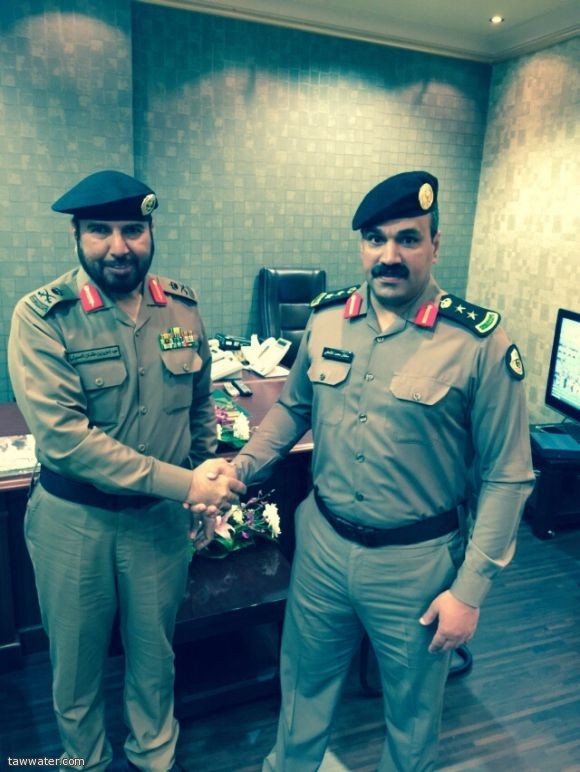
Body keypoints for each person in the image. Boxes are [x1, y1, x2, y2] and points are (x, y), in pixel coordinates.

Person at [226, 171, 535, 770]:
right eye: (375, 239)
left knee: (413, 718)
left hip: (416, 567)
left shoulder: (479, 343)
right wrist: (241, 469)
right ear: (361, 245)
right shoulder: (326, 319)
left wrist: (470, 591)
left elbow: (508, 476)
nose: (388, 255)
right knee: (301, 694)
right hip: (322, 547)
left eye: (407, 239)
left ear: (435, 245)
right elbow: (292, 408)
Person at [7, 170, 245, 772]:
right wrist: (187, 484)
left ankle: (154, 757)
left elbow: (199, 406)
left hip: (158, 524)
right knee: (76, 669)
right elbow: (66, 442)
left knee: (154, 658)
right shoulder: (43, 316)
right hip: (74, 524)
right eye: (100, 231)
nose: (118, 246)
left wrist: (202, 487)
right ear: (76, 235)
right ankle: (84, 762)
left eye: (132, 230)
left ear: (150, 231)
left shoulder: (181, 308)